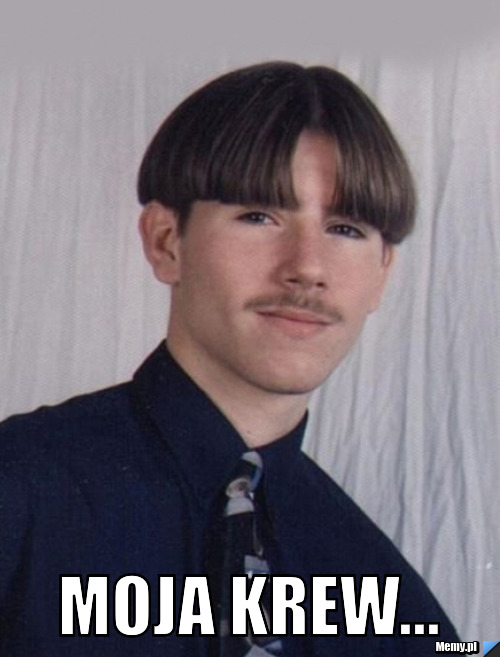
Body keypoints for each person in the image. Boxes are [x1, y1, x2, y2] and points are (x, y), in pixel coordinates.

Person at [0, 62, 459, 655]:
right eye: (259, 216)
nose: (307, 267)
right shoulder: (20, 491)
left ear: (382, 275)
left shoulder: (397, 611)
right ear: (166, 242)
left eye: (346, 228)